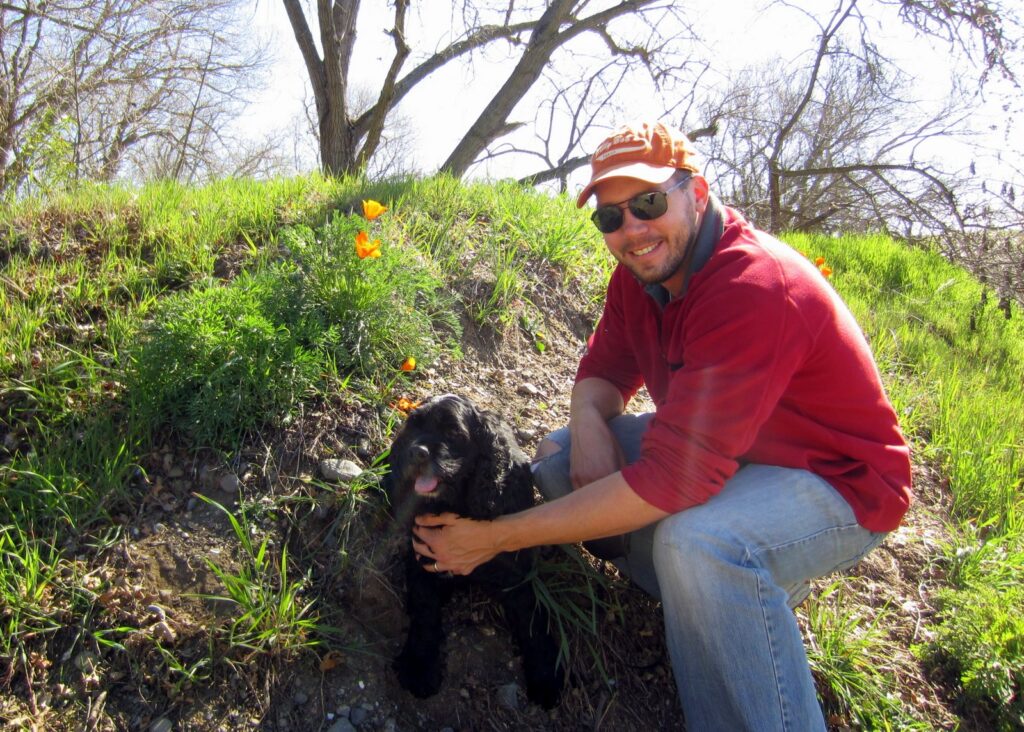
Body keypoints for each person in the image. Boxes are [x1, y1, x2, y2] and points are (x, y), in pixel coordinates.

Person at [411, 120, 912, 730]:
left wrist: (497, 538)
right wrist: (589, 421)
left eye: (648, 203)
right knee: (561, 462)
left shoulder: (752, 287)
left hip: (840, 481)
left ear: (696, 193)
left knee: (699, 544)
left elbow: (676, 480)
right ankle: (729, 599)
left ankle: (734, 607)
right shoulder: (640, 277)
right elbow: (600, 372)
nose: (631, 229)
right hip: (737, 453)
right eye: (609, 217)